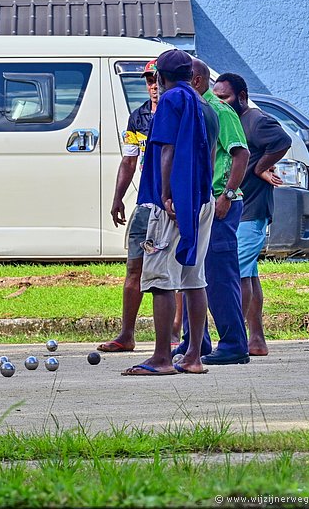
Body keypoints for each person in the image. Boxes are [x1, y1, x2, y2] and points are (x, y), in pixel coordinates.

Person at [122, 49, 217, 376]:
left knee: (161, 278)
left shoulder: (171, 101)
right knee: (193, 277)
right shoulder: (206, 106)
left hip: (174, 202)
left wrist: (167, 194)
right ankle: (193, 356)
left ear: (160, 76)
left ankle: (162, 357)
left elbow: (166, 150)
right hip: (203, 199)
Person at [174, 59, 252, 364]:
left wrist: (227, 195)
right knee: (194, 274)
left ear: (195, 80)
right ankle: (196, 342)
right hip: (202, 203)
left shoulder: (218, 110)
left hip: (222, 203)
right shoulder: (195, 109)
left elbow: (240, 153)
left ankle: (233, 344)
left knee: (220, 276)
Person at [213, 73, 291, 357]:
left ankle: (234, 339)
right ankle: (256, 339)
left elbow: (282, 140)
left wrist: (261, 168)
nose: (220, 102)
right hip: (241, 212)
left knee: (238, 275)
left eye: (225, 97)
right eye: (217, 96)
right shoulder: (231, 120)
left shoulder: (255, 120)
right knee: (250, 274)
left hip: (251, 210)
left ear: (242, 96)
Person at [99, 59, 158, 353]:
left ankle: (174, 335)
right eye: (149, 80)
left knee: (172, 273)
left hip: (171, 204)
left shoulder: (182, 113)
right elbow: (129, 160)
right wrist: (117, 197)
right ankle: (127, 334)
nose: (154, 86)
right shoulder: (139, 118)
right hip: (145, 202)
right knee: (134, 267)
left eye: (158, 79)